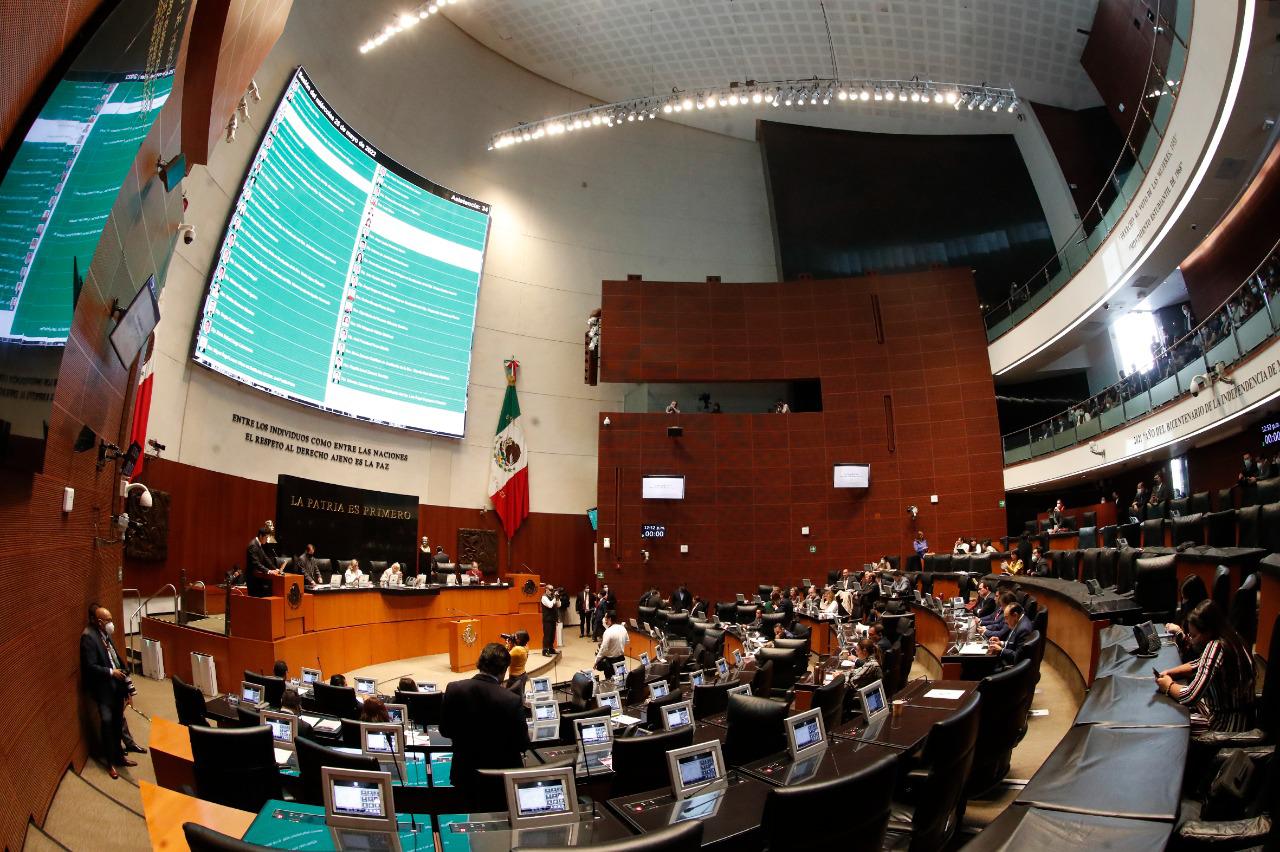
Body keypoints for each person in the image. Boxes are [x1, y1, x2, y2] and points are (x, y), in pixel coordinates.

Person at [440, 643, 528, 797]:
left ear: (479, 663)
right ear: (505, 670)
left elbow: (445, 730)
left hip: (465, 774)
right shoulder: (511, 700)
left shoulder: (454, 689)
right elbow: (523, 744)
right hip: (501, 780)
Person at [1156, 600, 1255, 731]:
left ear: (1208, 632)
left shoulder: (1215, 646)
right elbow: (1198, 664)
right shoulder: (1232, 637)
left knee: (1172, 720)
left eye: (1194, 636)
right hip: (1242, 716)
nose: (1191, 640)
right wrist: (1170, 672)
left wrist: (1168, 686)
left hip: (1226, 724)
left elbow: (1190, 696)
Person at [81, 606, 133, 779]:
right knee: (107, 724)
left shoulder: (105, 634)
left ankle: (119, 757)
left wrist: (125, 681)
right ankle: (110, 763)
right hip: (103, 691)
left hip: (116, 688)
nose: (112, 623)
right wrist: (111, 672)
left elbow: (115, 658)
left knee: (117, 723)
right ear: (99, 622)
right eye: (108, 620)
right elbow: (90, 667)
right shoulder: (88, 637)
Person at [246, 526, 279, 597]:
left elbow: (265, 558)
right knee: (254, 599)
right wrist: (269, 571)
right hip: (252, 577)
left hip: (257, 576)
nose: (267, 540)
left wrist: (275, 569)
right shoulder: (253, 545)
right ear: (261, 536)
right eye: (266, 537)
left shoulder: (258, 544)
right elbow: (256, 563)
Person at [539, 583, 560, 656]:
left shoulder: (553, 597)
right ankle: (545, 650)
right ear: (546, 590)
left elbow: (559, 605)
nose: (552, 591)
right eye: (550, 590)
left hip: (553, 619)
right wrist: (554, 598)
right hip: (547, 619)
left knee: (552, 635)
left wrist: (557, 598)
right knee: (547, 635)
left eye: (552, 589)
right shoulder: (544, 597)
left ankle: (551, 649)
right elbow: (550, 605)